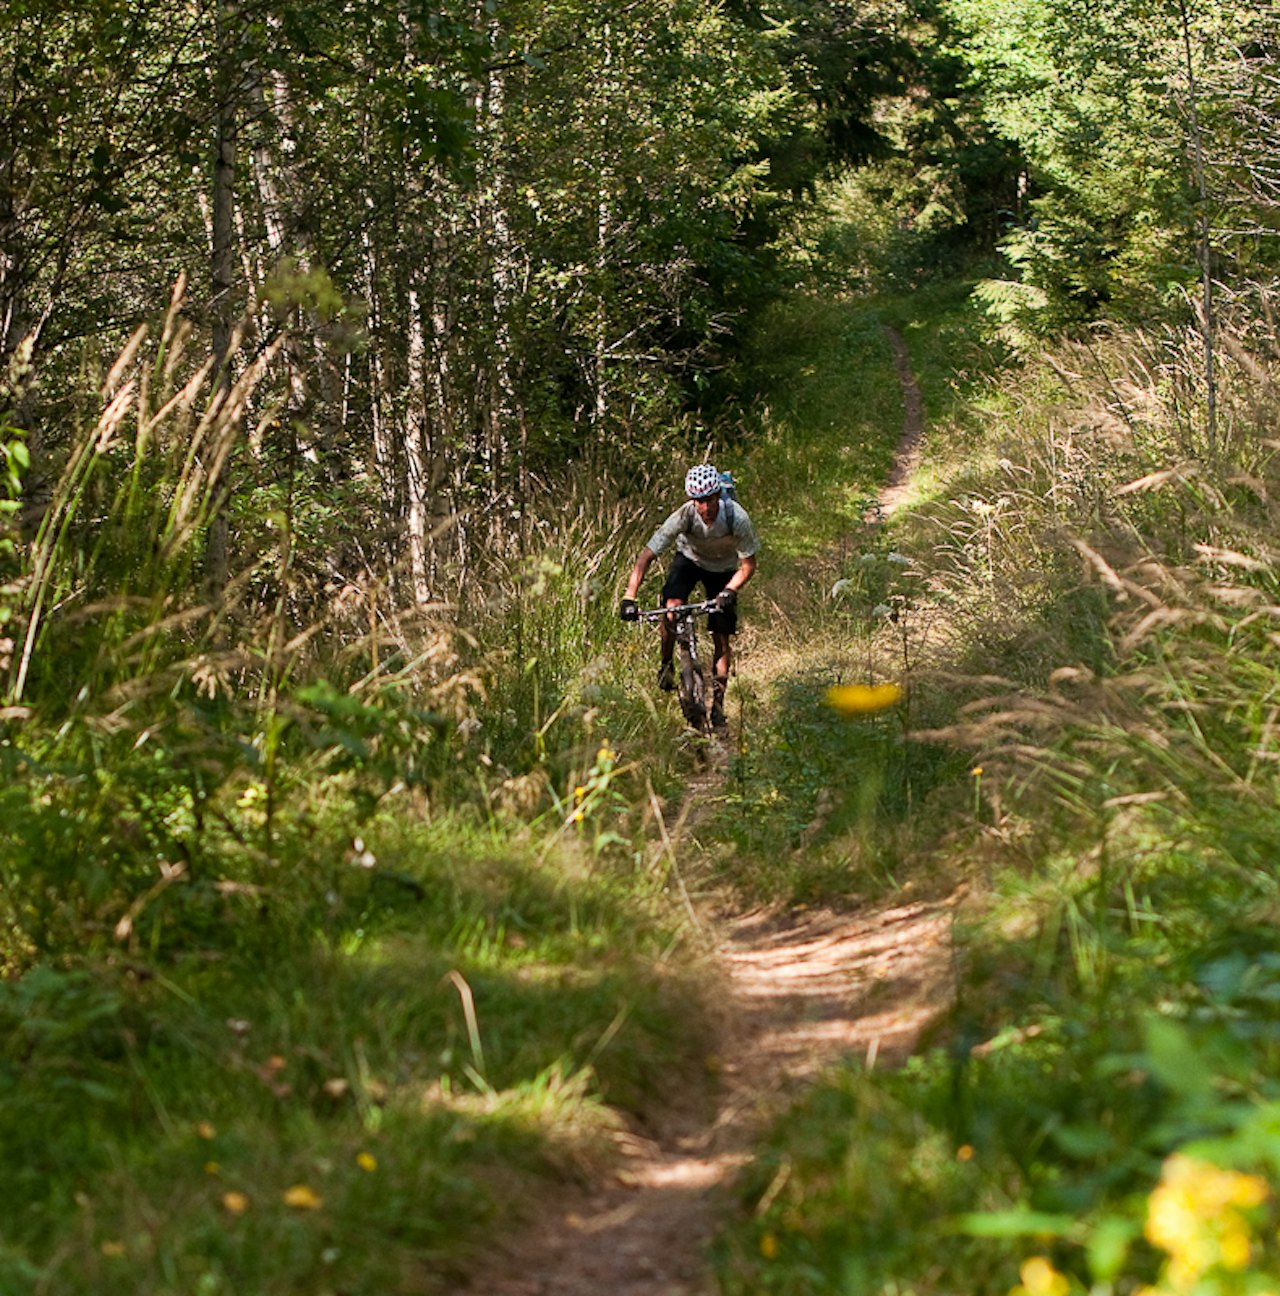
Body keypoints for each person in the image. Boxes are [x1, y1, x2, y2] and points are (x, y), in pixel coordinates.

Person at [619, 463, 759, 729]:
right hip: (689, 560)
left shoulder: (737, 518)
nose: (704, 508)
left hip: (724, 569)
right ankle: (666, 663)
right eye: (698, 501)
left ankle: (718, 707)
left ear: (718, 495)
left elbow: (749, 564)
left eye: (708, 500)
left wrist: (730, 590)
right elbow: (647, 555)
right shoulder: (684, 515)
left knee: (721, 637)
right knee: (671, 608)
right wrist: (629, 597)